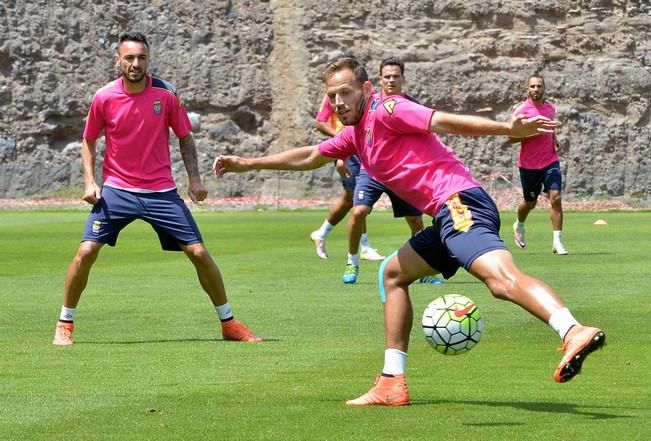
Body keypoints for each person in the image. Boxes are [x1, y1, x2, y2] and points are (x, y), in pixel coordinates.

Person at [213, 56, 605, 406]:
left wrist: (508, 128)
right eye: (331, 96)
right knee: (392, 273)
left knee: (501, 281)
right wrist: (249, 163)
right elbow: (313, 154)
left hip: (459, 204)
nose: (337, 102)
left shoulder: (388, 108)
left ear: (366, 89)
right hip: (446, 213)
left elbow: (444, 121)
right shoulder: (356, 132)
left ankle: (572, 329)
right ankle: (391, 381)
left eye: (345, 93)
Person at [52, 32, 261, 346]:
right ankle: (65, 323)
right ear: (118, 60)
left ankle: (229, 323)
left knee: (199, 253)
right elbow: (89, 140)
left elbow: (185, 137)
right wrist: (89, 181)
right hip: (117, 191)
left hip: (161, 192)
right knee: (85, 251)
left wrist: (195, 179)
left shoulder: (166, 94)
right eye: (130, 58)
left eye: (141, 58)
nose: (136, 64)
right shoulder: (104, 97)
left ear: (148, 60)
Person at [341, 57, 439, 285]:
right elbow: (352, 133)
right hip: (372, 171)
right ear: (380, 79)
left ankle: (423, 269)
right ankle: (352, 262)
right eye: (387, 76)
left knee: (415, 222)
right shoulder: (368, 103)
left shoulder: (411, 106)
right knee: (358, 212)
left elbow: (426, 138)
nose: (392, 80)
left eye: (396, 76)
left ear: (403, 78)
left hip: (401, 174)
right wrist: (343, 155)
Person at [310, 94, 384, 261]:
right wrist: (340, 136)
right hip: (347, 150)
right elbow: (320, 122)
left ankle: (320, 234)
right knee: (359, 200)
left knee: (349, 199)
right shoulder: (331, 98)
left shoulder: (358, 95)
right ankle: (365, 247)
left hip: (360, 149)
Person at [508, 74, 568, 255]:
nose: (536, 89)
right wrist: (533, 134)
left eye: (539, 86)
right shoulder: (521, 111)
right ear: (527, 89)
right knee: (530, 203)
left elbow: (550, 128)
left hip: (550, 161)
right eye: (532, 86)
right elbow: (510, 138)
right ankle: (519, 224)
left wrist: (555, 140)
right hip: (529, 165)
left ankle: (557, 242)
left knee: (556, 197)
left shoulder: (550, 108)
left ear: (544, 88)